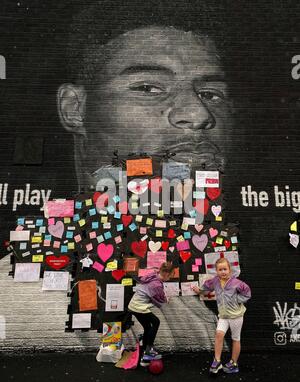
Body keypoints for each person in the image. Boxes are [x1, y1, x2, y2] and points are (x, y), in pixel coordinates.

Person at [57, 0, 238, 351]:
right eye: (148, 88)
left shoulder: (204, 280)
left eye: (212, 93)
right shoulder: (41, 299)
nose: (197, 113)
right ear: (74, 109)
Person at [192, 257, 251, 374]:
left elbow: (247, 293)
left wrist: (237, 300)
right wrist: (199, 290)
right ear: (217, 271)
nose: (223, 272)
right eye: (220, 270)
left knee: (235, 339)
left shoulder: (237, 283)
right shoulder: (215, 281)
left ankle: (234, 363)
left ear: (229, 270)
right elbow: (206, 288)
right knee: (219, 334)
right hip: (223, 316)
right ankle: (217, 361)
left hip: (236, 316)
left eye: (225, 269)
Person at [128, 262, 174, 366]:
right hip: (139, 307)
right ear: (167, 274)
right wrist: (167, 299)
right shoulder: (157, 284)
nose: (170, 278)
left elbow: (154, 295)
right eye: (170, 275)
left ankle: (145, 353)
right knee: (156, 322)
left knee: (148, 327)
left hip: (134, 306)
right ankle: (148, 351)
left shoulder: (154, 276)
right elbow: (160, 299)